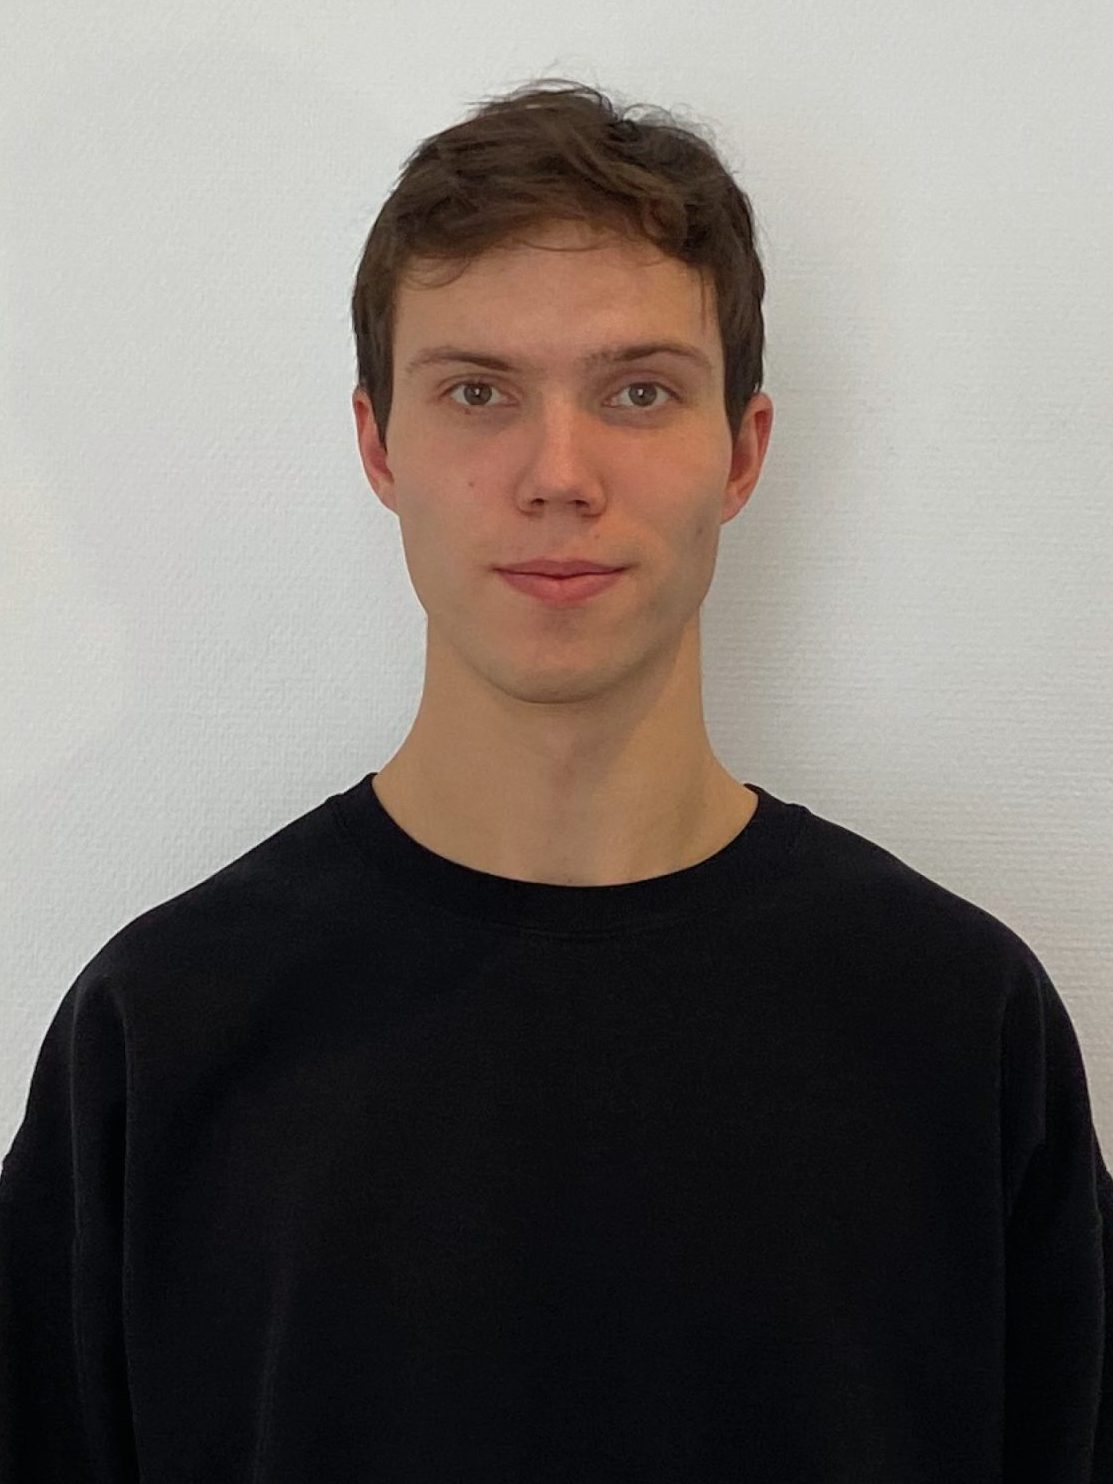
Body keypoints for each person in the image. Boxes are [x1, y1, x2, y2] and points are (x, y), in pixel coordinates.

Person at [1, 77, 1109, 1483]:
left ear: (742, 452)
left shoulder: (958, 1024)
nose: (558, 471)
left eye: (638, 391)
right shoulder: (161, 1033)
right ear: (377, 446)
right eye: (478, 392)